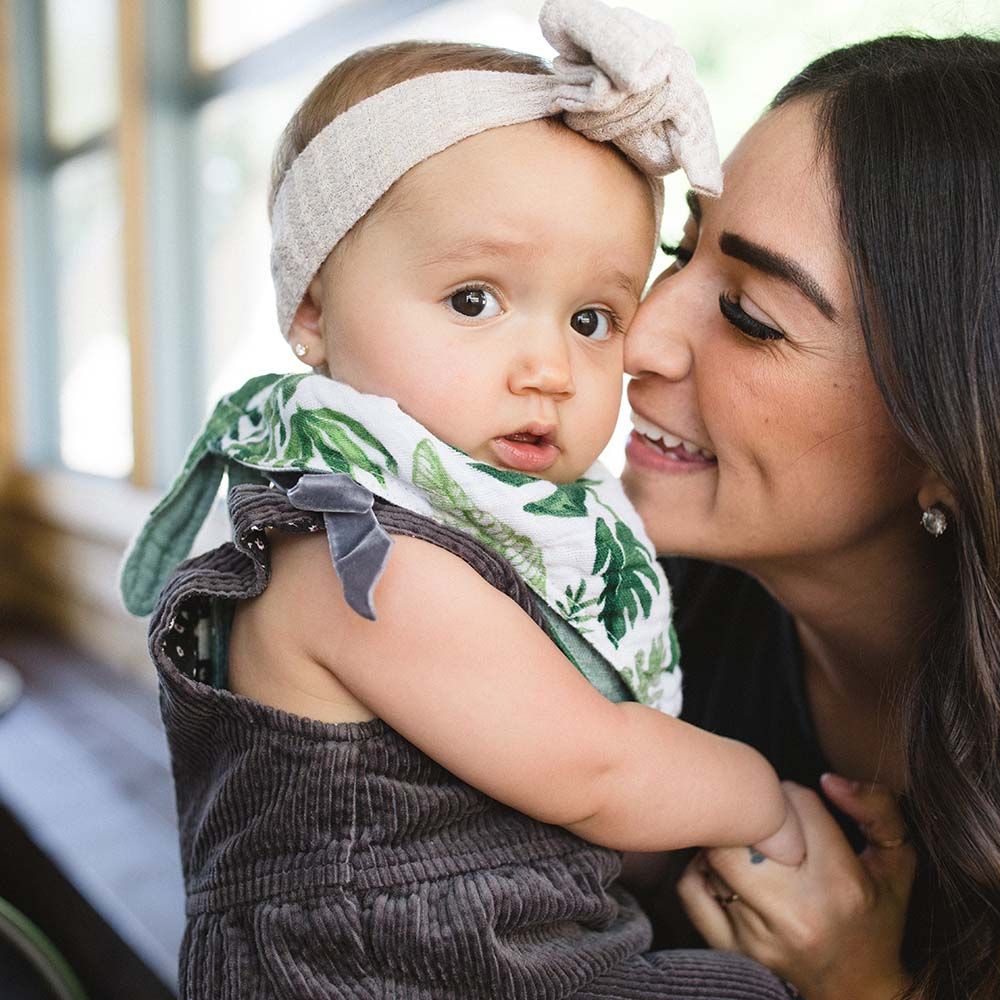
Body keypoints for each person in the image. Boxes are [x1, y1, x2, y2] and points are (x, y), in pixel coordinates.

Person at [119, 2, 800, 997]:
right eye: (474, 299)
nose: (548, 369)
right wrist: (759, 797)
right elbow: (593, 767)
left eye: (590, 317)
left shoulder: (498, 530)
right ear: (311, 309)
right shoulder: (355, 558)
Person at [620, 33, 1000, 1000]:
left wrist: (859, 985)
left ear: (951, 440)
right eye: (680, 251)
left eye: (750, 316)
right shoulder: (625, 610)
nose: (641, 336)